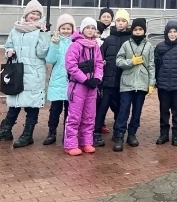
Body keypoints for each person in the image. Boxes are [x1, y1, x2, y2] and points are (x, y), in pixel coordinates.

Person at [0, 0, 50, 148]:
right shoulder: (15, 30)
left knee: (32, 105)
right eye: (32, 13)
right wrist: (8, 51)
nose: (34, 16)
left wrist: (45, 34)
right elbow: (8, 45)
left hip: (33, 73)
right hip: (17, 72)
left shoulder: (41, 31)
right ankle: (5, 130)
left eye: (38, 14)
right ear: (26, 14)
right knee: (14, 103)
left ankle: (27, 134)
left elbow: (42, 53)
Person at [113, 18, 155, 151]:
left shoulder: (149, 46)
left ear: (144, 31)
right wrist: (131, 62)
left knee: (137, 111)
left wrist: (151, 83)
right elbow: (118, 61)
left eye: (140, 29)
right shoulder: (126, 44)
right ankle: (119, 135)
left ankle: (132, 134)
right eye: (135, 29)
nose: (137, 32)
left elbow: (151, 65)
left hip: (142, 83)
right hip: (127, 83)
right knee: (123, 110)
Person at [63, 18, 104, 156]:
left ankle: (86, 142)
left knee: (89, 116)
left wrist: (97, 78)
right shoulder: (75, 45)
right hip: (78, 86)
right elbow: (71, 66)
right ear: (82, 29)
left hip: (91, 87)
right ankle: (70, 144)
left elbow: (99, 64)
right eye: (88, 28)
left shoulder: (95, 46)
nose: (90, 30)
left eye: (93, 28)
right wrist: (85, 79)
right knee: (74, 116)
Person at [93, 9, 131, 147]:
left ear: (127, 23)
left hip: (124, 81)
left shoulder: (130, 40)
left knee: (121, 108)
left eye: (123, 21)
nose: (120, 23)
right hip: (108, 81)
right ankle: (96, 132)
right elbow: (100, 58)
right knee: (102, 108)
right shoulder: (109, 39)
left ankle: (118, 132)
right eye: (118, 21)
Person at [154, 21, 177, 147]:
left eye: (175, 32)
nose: (172, 34)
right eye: (170, 32)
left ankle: (175, 134)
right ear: (166, 33)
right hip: (163, 84)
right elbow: (155, 64)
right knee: (164, 110)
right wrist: (155, 80)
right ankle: (163, 134)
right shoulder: (160, 47)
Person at [43, 13, 76, 146]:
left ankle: (67, 133)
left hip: (72, 81)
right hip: (57, 80)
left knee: (70, 110)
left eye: (68, 28)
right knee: (55, 109)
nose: (66, 31)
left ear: (72, 29)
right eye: (63, 28)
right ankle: (52, 132)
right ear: (59, 29)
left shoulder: (75, 43)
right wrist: (54, 45)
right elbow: (50, 60)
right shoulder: (55, 41)